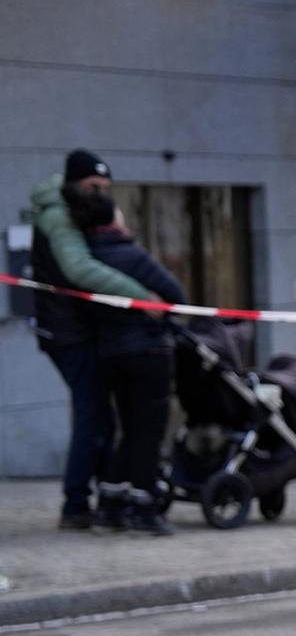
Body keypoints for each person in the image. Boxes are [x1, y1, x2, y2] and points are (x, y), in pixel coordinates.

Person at [27, 150, 158, 530]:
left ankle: (103, 496)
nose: (100, 194)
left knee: (100, 417)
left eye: (105, 187)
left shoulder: (72, 209)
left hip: (79, 330)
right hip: (70, 333)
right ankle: (76, 504)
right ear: (74, 183)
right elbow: (79, 268)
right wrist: (141, 297)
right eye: (93, 186)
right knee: (93, 417)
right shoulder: (58, 216)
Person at [73, 199, 183, 535]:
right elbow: (175, 293)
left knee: (127, 430)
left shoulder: (85, 261)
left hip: (110, 355)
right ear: (112, 220)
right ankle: (144, 509)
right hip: (148, 353)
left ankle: (110, 505)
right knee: (148, 432)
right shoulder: (130, 255)